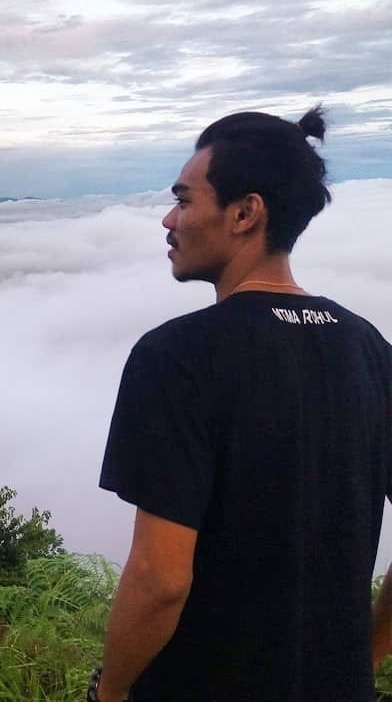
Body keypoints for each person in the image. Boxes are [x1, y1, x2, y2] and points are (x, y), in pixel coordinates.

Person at [90, 107, 392, 702]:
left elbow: (159, 579)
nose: (169, 219)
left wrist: (110, 694)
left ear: (245, 213)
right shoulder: (371, 351)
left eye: (183, 200)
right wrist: (362, 660)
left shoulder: (176, 357)